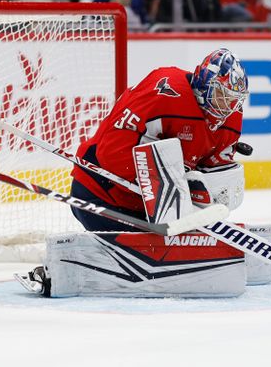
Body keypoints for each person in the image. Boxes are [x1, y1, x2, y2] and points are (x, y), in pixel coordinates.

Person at [17, 49, 255, 298]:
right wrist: (160, 178)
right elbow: (111, 153)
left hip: (155, 210)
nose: (228, 107)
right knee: (147, 258)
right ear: (204, 84)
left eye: (234, 99)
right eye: (221, 96)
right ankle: (74, 269)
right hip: (101, 193)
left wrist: (202, 197)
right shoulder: (163, 91)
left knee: (172, 248)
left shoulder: (230, 117)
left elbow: (213, 169)